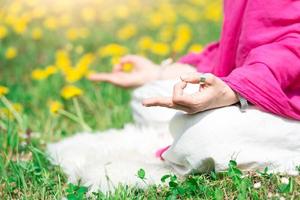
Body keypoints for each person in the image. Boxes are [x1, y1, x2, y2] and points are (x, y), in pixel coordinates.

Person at [48, 0, 300, 192]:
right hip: (257, 80)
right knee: (149, 96)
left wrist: (235, 89)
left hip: (286, 95)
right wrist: (160, 72)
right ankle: (184, 137)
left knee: (205, 135)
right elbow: (239, 47)